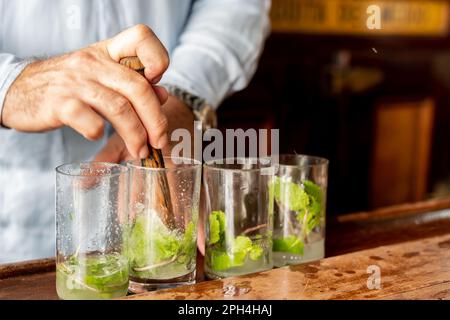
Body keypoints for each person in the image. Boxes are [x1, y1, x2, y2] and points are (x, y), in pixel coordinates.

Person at [0, 0, 271, 263]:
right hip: (16, 236)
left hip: (168, 217)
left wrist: (181, 98)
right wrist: (12, 85)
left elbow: (233, 5)